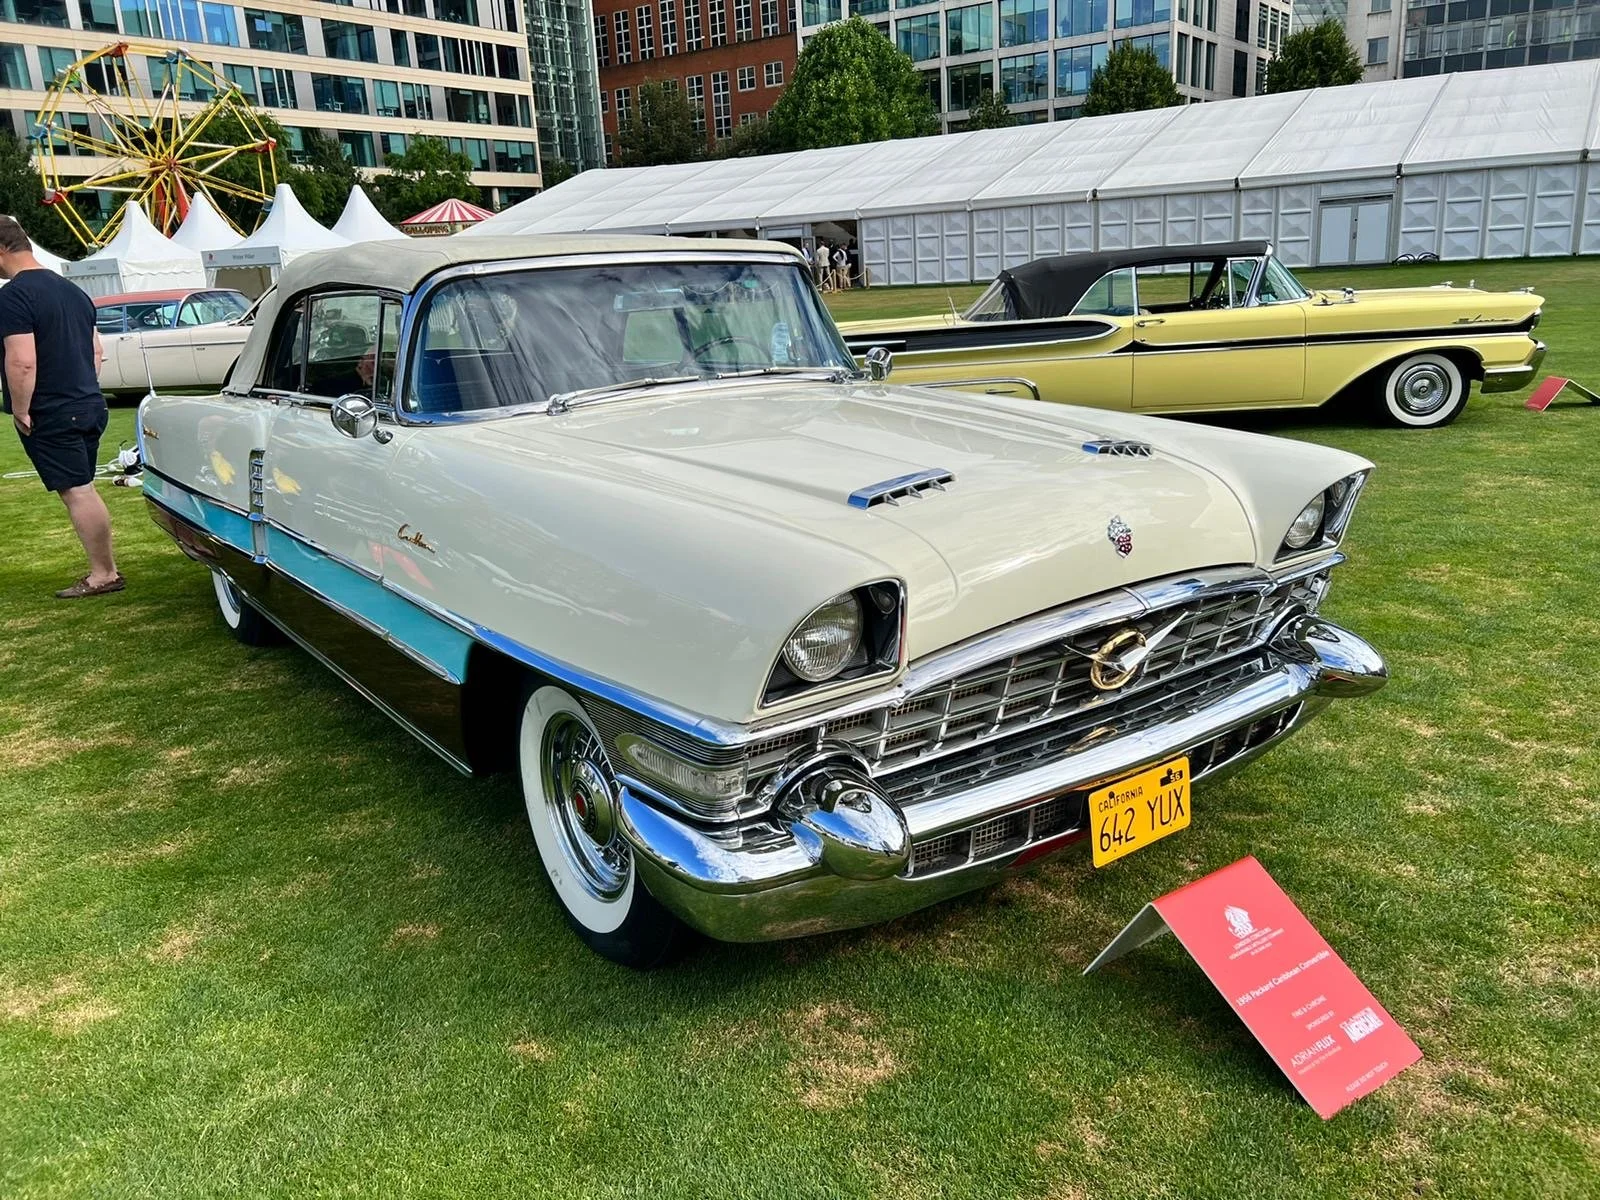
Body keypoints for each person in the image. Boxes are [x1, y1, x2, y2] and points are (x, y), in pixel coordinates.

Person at [0, 216, 122, 598]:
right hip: (88, 402)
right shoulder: (72, 291)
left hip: (52, 409)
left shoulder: (14, 296)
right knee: (83, 488)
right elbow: (95, 351)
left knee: (78, 491)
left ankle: (104, 573)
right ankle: (104, 568)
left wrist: (21, 408)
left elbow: (21, 361)